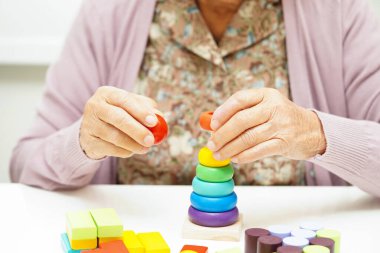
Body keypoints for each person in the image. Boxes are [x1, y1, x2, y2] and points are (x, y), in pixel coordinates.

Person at [10, 0, 380, 197]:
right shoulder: (108, 12)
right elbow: (24, 165)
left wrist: (316, 133)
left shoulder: (341, 11)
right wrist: (84, 143)